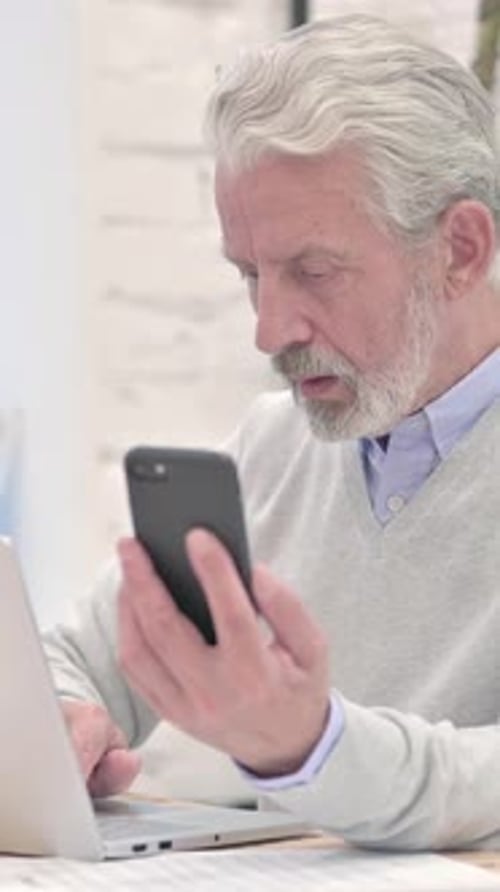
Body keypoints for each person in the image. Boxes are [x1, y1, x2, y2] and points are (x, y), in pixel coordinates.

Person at [44, 13, 500, 851]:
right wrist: (64, 722)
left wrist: (307, 744)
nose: (269, 329)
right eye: (251, 274)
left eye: (314, 271)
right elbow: (67, 658)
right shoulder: (274, 446)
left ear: (461, 249)